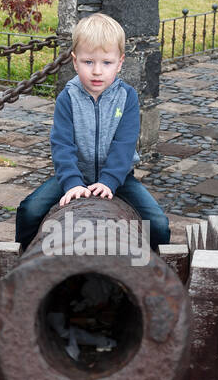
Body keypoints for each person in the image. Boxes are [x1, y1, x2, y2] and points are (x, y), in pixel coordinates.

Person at [15, 13, 170, 251]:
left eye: (106, 63)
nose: (97, 71)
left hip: (119, 178)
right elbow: (62, 144)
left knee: (158, 224)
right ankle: (24, 257)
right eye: (89, 62)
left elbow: (125, 144)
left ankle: (156, 268)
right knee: (29, 210)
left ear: (120, 63)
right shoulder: (68, 97)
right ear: (75, 62)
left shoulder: (127, 98)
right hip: (75, 173)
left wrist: (109, 181)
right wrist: (72, 182)